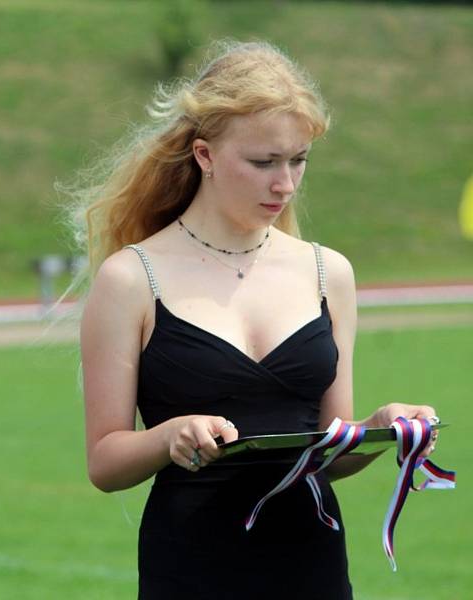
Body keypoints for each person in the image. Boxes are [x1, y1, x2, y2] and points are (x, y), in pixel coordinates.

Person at [76, 41, 440, 598]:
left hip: (311, 561)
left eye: (298, 160)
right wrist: (169, 436)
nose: (285, 184)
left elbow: (328, 451)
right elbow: (105, 461)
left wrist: (380, 428)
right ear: (204, 155)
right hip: (191, 565)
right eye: (264, 162)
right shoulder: (131, 279)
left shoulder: (328, 273)